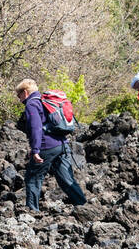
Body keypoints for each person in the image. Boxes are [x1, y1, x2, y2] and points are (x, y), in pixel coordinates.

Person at [15, 78, 86, 212]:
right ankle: (83, 206)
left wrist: (35, 150)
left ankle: (32, 211)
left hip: (46, 146)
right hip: (63, 145)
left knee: (33, 177)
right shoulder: (45, 101)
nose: (19, 100)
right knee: (66, 179)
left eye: (19, 96)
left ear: (25, 92)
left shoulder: (32, 104)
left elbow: (36, 128)